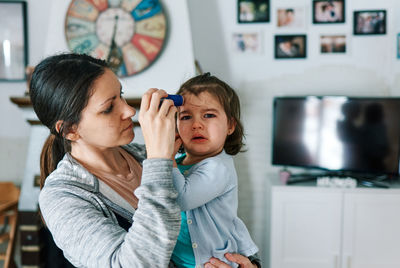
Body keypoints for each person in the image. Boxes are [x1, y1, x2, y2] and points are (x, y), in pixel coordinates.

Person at [30, 53, 258, 268]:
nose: (129, 110)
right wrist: (160, 159)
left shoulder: (146, 156)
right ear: (70, 129)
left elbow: (220, 223)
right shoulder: (62, 196)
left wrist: (249, 263)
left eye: (120, 95)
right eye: (109, 108)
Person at [170, 73, 260, 268]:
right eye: (186, 116)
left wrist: (165, 159)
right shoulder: (177, 162)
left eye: (208, 115)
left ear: (230, 125)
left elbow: (181, 199)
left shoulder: (218, 167)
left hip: (212, 261)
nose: (196, 124)